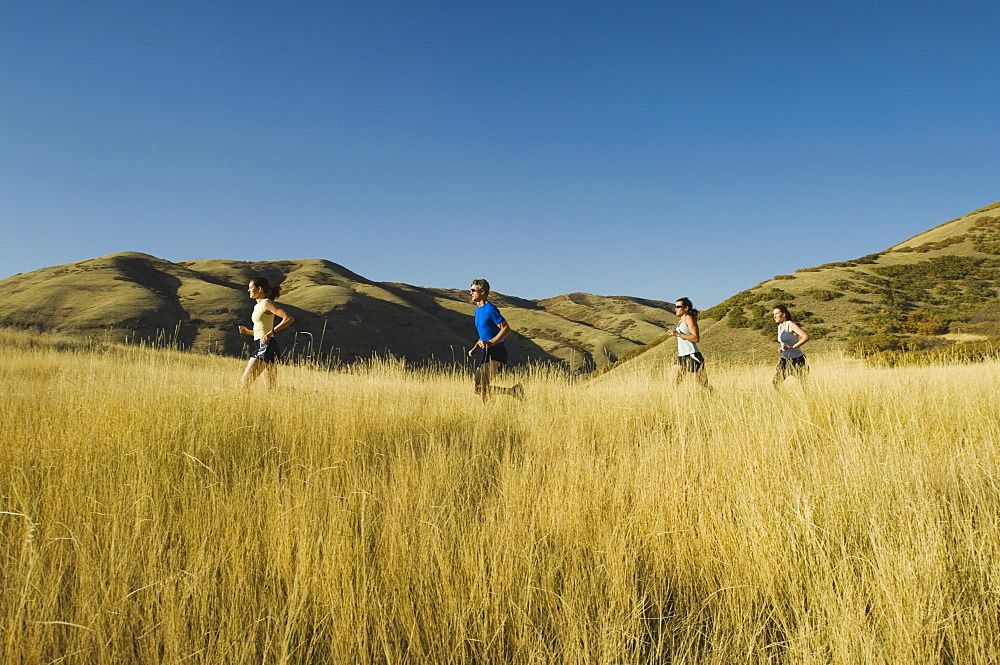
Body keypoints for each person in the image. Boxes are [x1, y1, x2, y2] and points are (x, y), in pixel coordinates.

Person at [468, 279, 523, 402]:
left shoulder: (490, 309)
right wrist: (476, 347)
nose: (470, 293)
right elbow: (485, 334)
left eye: (472, 290)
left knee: (482, 386)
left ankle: (492, 409)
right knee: (478, 388)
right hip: (486, 351)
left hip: (496, 351)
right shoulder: (477, 311)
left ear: (482, 291)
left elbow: (506, 329)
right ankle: (513, 391)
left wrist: (491, 343)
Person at [237, 277, 295, 389]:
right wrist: (247, 331)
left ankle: (243, 406)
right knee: (270, 388)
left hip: (265, 346)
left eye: (250, 288)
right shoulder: (256, 306)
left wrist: (271, 332)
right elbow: (261, 332)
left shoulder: (266, 303)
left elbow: (289, 318)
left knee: (244, 383)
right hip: (265, 344)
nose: (248, 290)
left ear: (259, 289)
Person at [667, 297, 711, 389]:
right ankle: (674, 402)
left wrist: (678, 334)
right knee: (673, 383)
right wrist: (676, 333)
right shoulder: (680, 321)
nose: (676, 309)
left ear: (686, 308)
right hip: (682, 355)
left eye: (678, 307)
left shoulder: (689, 319)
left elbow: (696, 338)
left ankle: (716, 397)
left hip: (692, 354)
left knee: (703, 384)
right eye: (675, 307)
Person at [772, 304, 810, 386]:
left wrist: (793, 347)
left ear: (784, 314)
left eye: (776, 314)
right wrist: (782, 349)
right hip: (785, 359)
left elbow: (806, 336)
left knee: (804, 384)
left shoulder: (791, 325)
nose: (774, 316)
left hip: (797, 359)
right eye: (774, 314)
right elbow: (785, 343)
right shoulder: (780, 327)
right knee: (776, 382)